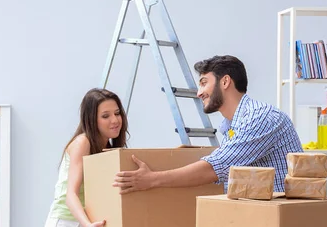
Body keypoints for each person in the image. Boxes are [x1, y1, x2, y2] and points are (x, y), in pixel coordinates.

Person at [112, 55, 303, 194]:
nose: (198, 93)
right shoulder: (231, 126)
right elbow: (232, 181)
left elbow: (213, 169)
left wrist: (152, 180)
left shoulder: (260, 118)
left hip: (279, 225)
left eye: (204, 83)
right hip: (256, 220)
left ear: (225, 81)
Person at [39, 88, 129, 227]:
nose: (114, 120)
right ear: (91, 119)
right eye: (105, 116)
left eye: (117, 113)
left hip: (95, 226)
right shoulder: (83, 142)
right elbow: (71, 194)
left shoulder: (109, 148)